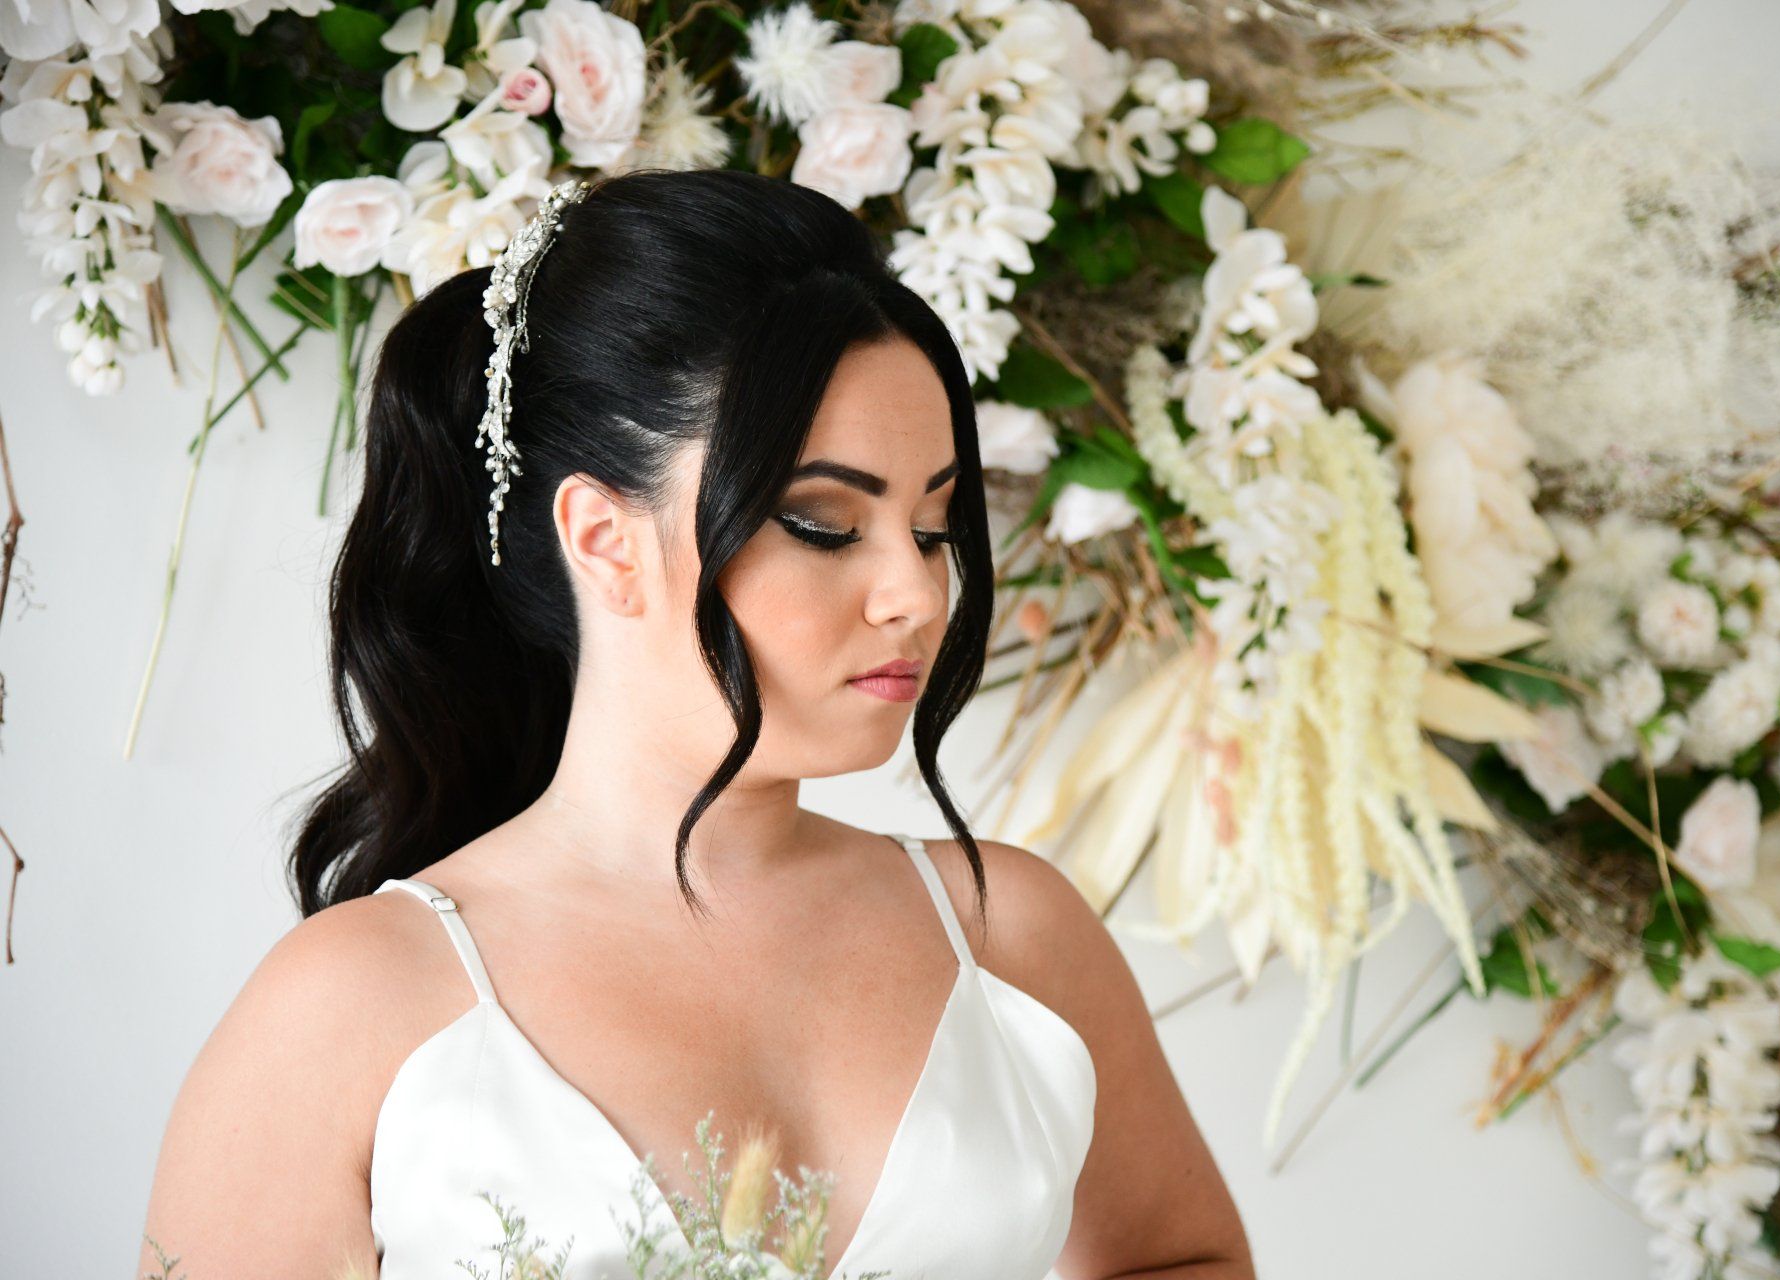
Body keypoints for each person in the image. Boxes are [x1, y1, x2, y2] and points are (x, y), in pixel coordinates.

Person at [136, 168, 1250, 1279]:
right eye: (823, 522)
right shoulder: (354, 1000)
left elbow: (1184, 1255)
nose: (914, 592)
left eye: (934, 522)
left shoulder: (1015, 934)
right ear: (607, 539)